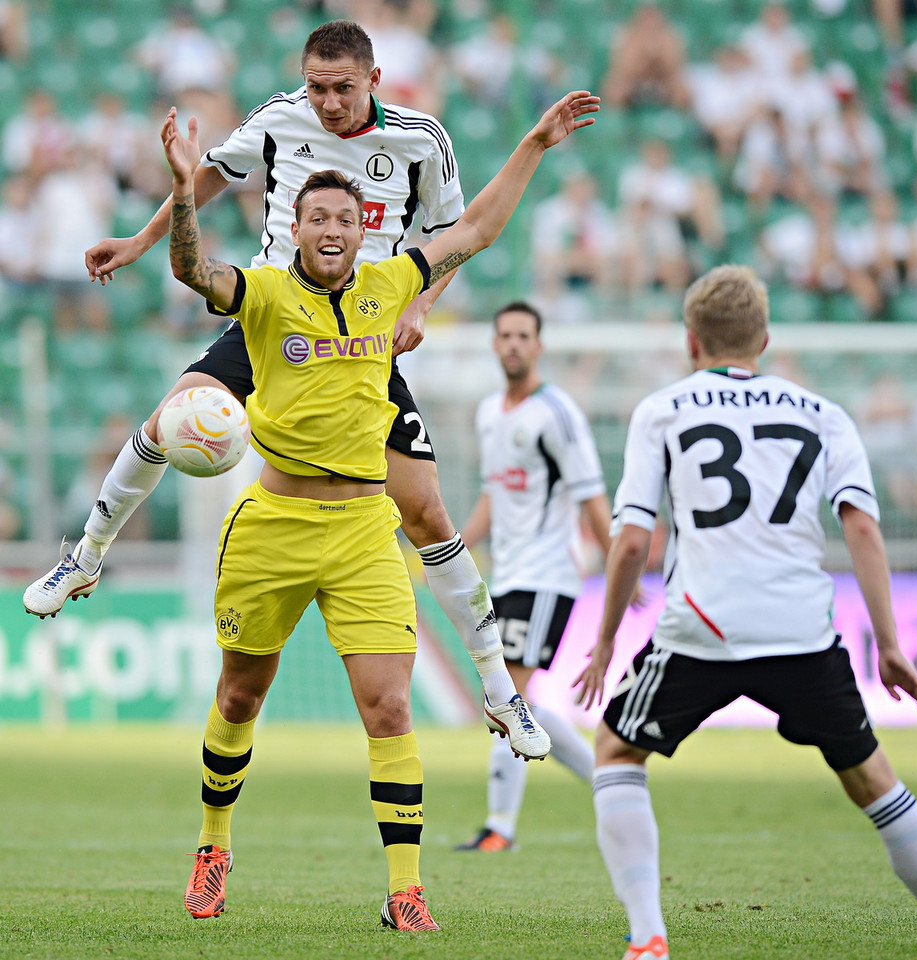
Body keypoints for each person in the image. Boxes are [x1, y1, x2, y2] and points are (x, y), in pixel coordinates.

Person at [23, 19, 549, 761]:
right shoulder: (279, 121)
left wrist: (421, 304)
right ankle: (86, 554)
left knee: (427, 511)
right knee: (169, 419)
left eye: (342, 88)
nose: (328, 103)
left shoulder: (420, 141)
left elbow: (458, 231)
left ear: (372, 80)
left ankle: (502, 691)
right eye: (317, 87)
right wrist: (141, 242)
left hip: (364, 330)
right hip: (275, 317)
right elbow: (205, 176)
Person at [161, 85, 599, 924]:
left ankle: (407, 893)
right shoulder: (257, 295)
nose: (330, 230)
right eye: (316, 218)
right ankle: (214, 844)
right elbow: (191, 269)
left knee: (390, 706)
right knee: (240, 698)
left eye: (344, 219)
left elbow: (472, 231)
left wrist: (534, 144)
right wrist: (185, 194)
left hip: (365, 530)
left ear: (364, 226)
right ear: (295, 225)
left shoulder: (390, 283)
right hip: (273, 528)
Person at [573, 264, 917, 960]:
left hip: (701, 628)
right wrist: (891, 643)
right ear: (766, 339)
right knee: (874, 781)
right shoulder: (823, 413)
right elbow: (863, 529)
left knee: (616, 749)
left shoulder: (662, 409)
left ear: (692, 342)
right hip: (800, 630)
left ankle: (647, 935)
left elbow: (633, 538)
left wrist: (604, 641)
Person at [454, 301, 638, 852]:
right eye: (504, 334)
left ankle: (499, 828)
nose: (512, 344)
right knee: (515, 699)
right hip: (506, 574)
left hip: (548, 572)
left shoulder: (556, 413)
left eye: (523, 335)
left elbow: (589, 495)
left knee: (508, 693)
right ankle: (610, 776)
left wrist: (616, 566)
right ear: (495, 343)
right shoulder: (491, 412)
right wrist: (453, 552)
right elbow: (493, 492)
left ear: (539, 346)